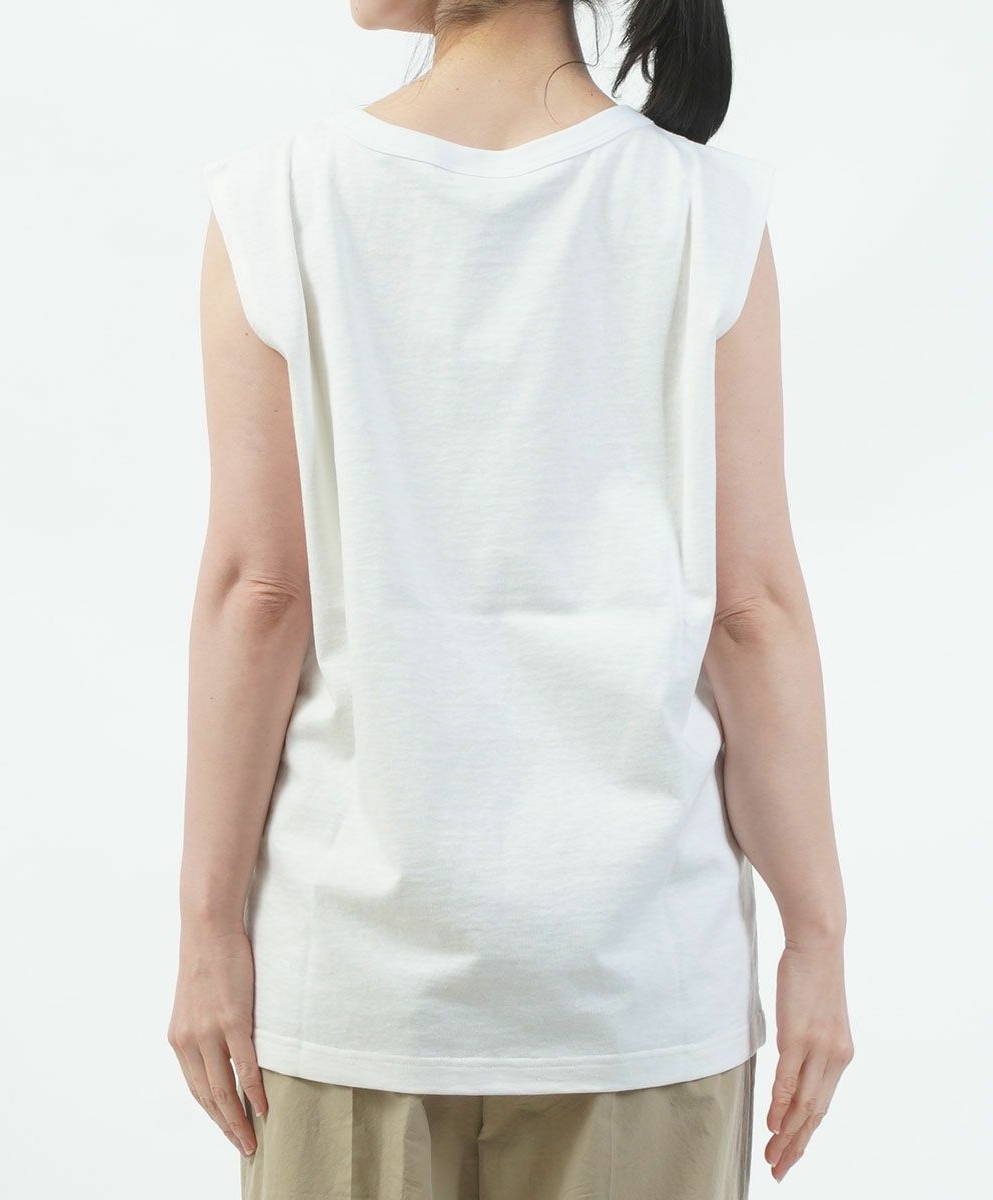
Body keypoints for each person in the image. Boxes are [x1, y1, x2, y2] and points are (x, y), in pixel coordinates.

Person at [167, 1, 854, 1196]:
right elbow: (750, 613)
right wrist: (818, 938)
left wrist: (206, 927)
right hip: (638, 985)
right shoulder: (704, 211)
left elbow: (258, 593)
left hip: (353, 989)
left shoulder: (276, 201)